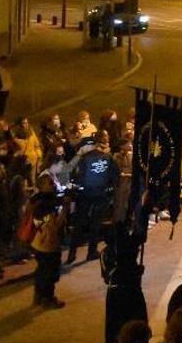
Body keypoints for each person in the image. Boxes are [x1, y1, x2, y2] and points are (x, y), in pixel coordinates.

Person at [69, 131, 120, 263]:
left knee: (79, 223)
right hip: (100, 194)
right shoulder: (108, 158)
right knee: (95, 223)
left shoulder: (84, 157)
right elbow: (115, 175)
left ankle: (72, 253)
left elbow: (74, 173)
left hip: (84, 194)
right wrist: (110, 190)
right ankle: (91, 252)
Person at [30, 173, 71, 308]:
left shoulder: (38, 200)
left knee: (41, 269)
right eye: (50, 183)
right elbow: (53, 226)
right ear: (42, 186)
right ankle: (48, 298)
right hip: (47, 243)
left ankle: (38, 296)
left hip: (38, 242)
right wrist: (65, 208)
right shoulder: (45, 204)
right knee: (49, 272)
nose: (54, 185)